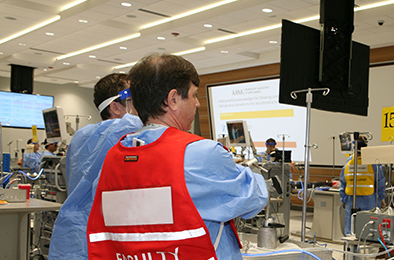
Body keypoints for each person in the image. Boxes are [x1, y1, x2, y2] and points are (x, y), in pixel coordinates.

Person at [86, 53, 268, 260]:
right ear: (173, 99)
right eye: (193, 95)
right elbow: (254, 199)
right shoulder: (200, 153)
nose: (197, 104)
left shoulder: (112, 159)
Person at [48, 73, 143, 260]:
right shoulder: (125, 128)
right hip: (104, 236)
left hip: (75, 233)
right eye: (134, 98)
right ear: (115, 107)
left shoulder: (82, 135)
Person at [339, 135, 386, 235]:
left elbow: (343, 181)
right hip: (370, 201)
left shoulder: (349, 162)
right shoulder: (373, 161)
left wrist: (344, 200)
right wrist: (381, 198)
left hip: (351, 201)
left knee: (351, 230)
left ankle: (350, 250)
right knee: (370, 231)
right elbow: (380, 182)